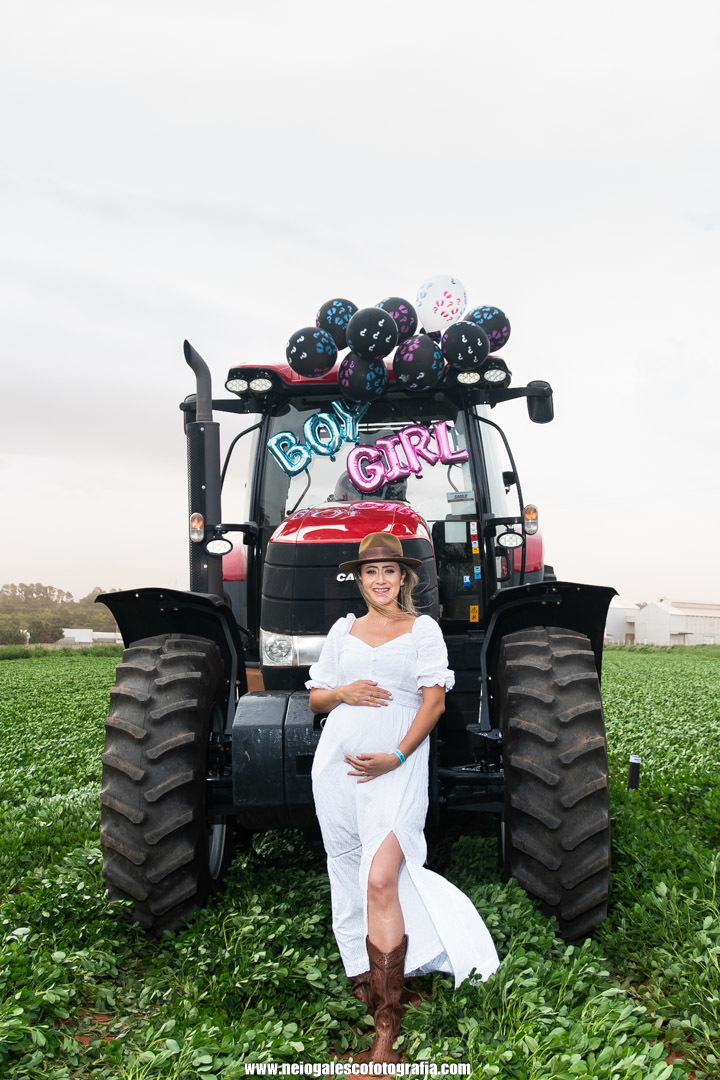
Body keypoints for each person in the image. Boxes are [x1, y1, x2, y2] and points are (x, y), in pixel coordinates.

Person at [307, 532, 500, 1064]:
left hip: (397, 766)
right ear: (360, 579)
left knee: (380, 876)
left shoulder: (422, 630)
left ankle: (386, 1029)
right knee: (348, 868)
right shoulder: (343, 630)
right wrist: (343, 692)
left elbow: (433, 704)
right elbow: (317, 698)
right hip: (338, 765)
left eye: (389, 571)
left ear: (403, 577)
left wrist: (396, 755)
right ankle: (366, 979)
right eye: (371, 572)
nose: (380, 580)